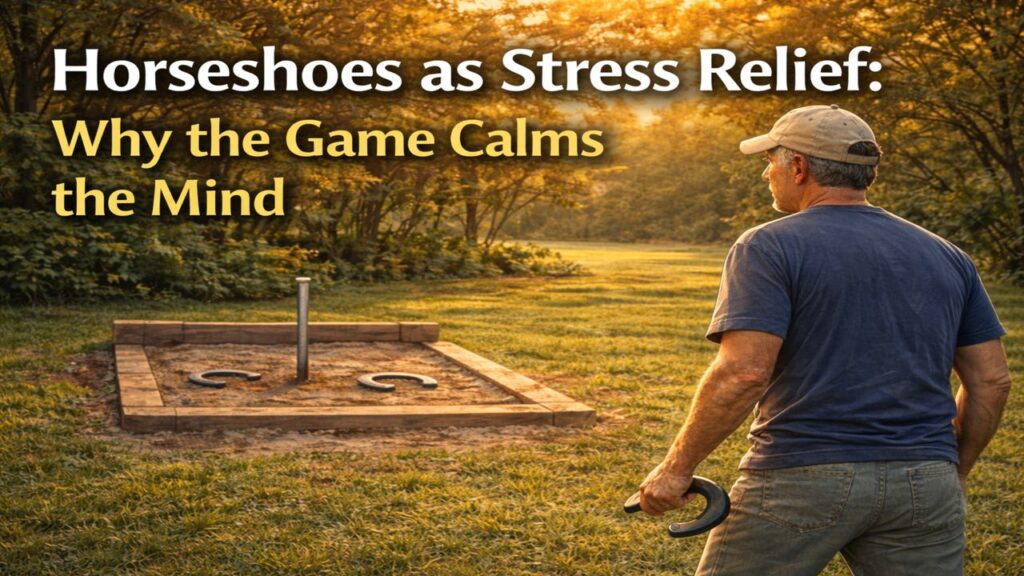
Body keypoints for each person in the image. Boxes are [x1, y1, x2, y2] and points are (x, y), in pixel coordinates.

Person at [636, 104, 1013, 576]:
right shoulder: (948, 255)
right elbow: (992, 381)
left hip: (801, 473)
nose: (765, 173)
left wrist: (675, 469)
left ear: (799, 167)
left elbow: (745, 372)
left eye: (770, 160)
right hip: (925, 480)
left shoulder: (768, 246)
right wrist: (953, 470)